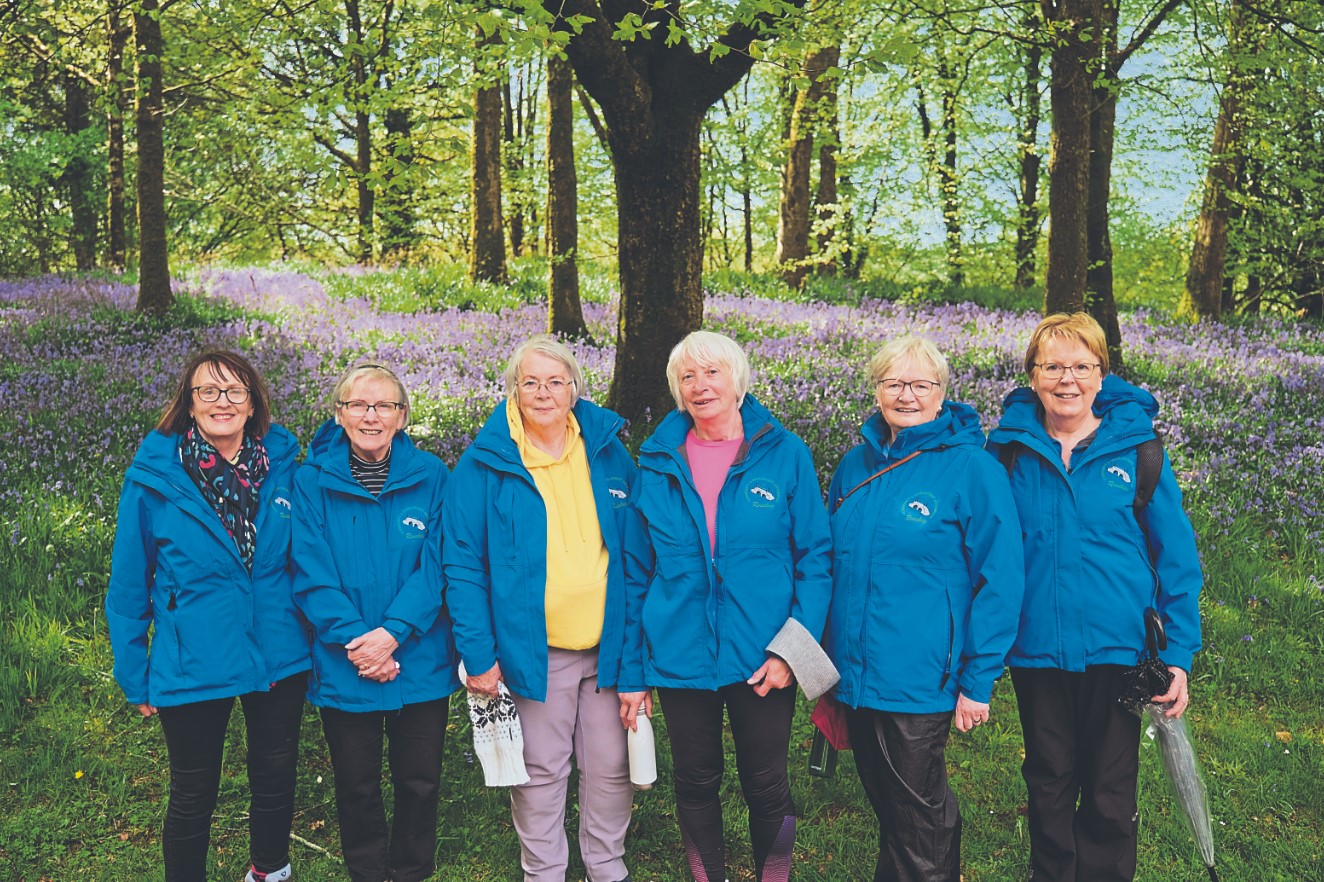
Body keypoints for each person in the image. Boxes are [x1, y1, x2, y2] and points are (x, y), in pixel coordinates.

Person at [987, 312, 1203, 882]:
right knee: (1049, 782)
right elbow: (982, 552)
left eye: (1082, 366)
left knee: (1109, 791)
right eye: (1053, 366)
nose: (1068, 380)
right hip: (1037, 650)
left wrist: (1177, 655)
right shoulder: (1006, 453)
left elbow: (1176, 559)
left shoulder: (1139, 451)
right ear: (1032, 376)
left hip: (1120, 650)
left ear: (1102, 375)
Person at [622, 330, 833, 882]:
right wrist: (633, 671)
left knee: (767, 784)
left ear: (739, 380)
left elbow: (816, 557)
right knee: (695, 780)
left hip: (763, 656)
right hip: (679, 653)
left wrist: (794, 651)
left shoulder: (784, 454)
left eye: (712, 372)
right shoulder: (657, 462)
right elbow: (634, 574)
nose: (700, 385)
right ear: (676, 389)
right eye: (687, 376)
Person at [823, 336, 1024, 882]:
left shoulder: (971, 470)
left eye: (920, 384)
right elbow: (830, 562)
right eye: (892, 383)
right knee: (898, 809)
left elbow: (1002, 579)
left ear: (942, 393)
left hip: (920, 675)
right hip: (856, 672)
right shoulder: (856, 464)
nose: (905, 394)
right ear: (876, 390)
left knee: (916, 817)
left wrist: (978, 678)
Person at [443, 335, 642, 882]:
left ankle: (607, 867)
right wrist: (479, 656)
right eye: (530, 382)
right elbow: (461, 564)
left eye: (556, 381)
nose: (544, 392)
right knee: (540, 770)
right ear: (513, 390)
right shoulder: (485, 463)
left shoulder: (606, 449)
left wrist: (639, 654)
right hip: (534, 650)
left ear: (575, 389)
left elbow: (637, 550)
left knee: (610, 767)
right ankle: (544, 871)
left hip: (610, 650)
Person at [106, 350, 308, 882]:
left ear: (253, 403)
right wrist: (135, 672)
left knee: (275, 770)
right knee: (194, 788)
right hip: (192, 652)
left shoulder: (283, 466)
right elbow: (129, 584)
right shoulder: (154, 479)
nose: (222, 402)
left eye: (234, 391)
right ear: (188, 405)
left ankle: (269, 870)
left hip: (279, 648)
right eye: (208, 392)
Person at [292, 363, 456, 882]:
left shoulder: (432, 476)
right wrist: (358, 642)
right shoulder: (309, 480)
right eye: (359, 405)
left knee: (420, 779)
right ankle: (366, 869)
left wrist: (392, 635)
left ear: (402, 416)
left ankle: (410, 871)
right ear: (339, 414)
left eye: (384, 405)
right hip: (346, 660)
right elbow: (309, 570)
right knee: (356, 781)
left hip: (418, 656)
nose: (371, 415)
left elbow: (438, 564)